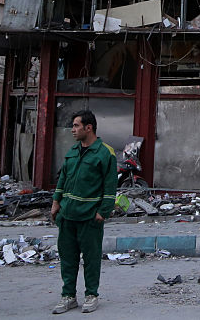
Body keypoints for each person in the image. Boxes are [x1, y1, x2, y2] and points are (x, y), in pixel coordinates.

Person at [50, 110, 117, 313]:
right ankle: (68, 296)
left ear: (89, 128)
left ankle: (91, 295)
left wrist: (102, 212)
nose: (73, 130)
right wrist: (56, 202)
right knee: (68, 259)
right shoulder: (73, 151)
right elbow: (63, 178)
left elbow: (110, 187)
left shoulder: (105, 153)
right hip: (67, 215)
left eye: (76, 126)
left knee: (91, 259)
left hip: (90, 217)